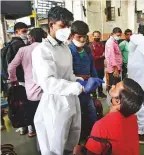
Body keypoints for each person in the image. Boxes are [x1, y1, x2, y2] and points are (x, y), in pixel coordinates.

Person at [31, 6, 103, 155]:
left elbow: (68, 75)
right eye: (63, 25)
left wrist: (80, 81)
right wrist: (79, 87)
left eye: (69, 25)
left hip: (71, 100)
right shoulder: (42, 50)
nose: (67, 29)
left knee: (71, 139)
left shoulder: (64, 48)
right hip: (54, 105)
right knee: (56, 144)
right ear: (51, 25)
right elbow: (48, 82)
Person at [74, 78, 144, 155]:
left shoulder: (101, 125)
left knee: (76, 149)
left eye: (115, 87)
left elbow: (91, 153)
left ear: (118, 101)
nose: (112, 86)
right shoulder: (133, 118)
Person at [8, 28, 46, 137]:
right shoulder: (48, 49)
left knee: (36, 119)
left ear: (32, 38)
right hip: (49, 91)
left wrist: (14, 80)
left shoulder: (23, 50)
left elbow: (11, 67)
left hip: (32, 93)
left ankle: (40, 144)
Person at [68, 20, 98, 139]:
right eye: (79, 37)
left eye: (84, 36)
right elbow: (66, 73)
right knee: (77, 116)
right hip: (74, 91)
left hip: (88, 89)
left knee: (91, 112)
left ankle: (93, 136)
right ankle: (79, 138)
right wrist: (79, 76)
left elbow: (92, 67)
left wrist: (95, 81)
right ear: (71, 36)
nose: (82, 40)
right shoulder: (68, 51)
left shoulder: (87, 49)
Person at [90, 31, 106, 98]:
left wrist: (102, 56)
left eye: (98, 36)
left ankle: (100, 92)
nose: (97, 37)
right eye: (95, 36)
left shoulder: (102, 45)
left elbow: (105, 54)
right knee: (94, 81)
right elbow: (94, 57)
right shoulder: (91, 46)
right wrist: (101, 56)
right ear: (93, 36)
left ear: (100, 36)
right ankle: (94, 95)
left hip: (101, 66)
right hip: (94, 67)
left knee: (100, 79)